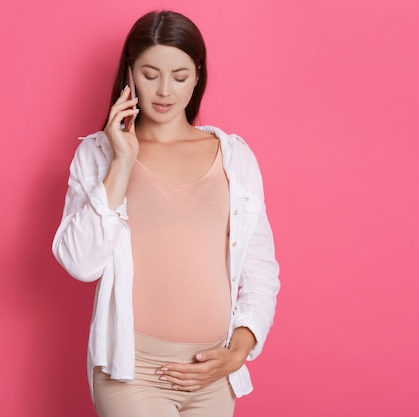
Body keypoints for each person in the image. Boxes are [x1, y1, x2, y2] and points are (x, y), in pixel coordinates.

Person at [52, 10, 280, 417]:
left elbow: (260, 272)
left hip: (211, 373)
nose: (164, 91)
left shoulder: (234, 158)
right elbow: (81, 263)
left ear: (197, 75)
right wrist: (122, 164)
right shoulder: (98, 155)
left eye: (179, 76)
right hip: (132, 372)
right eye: (150, 73)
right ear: (129, 73)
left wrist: (239, 351)